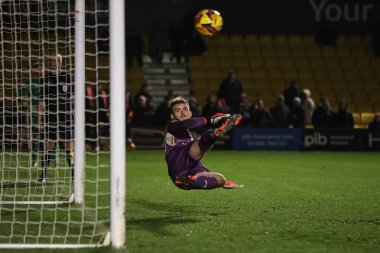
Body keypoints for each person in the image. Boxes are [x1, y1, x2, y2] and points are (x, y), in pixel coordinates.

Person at [164, 96, 243, 190]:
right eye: (177, 111)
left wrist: (221, 181)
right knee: (200, 142)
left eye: (185, 109)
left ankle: (192, 180)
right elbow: (185, 124)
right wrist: (210, 119)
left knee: (220, 178)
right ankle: (216, 133)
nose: (182, 113)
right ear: (172, 116)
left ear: (190, 113)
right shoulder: (172, 125)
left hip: (187, 173)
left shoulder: (187, 134)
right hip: (178, 163)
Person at [39, 54, 74, 182]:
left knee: (68, 145)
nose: (52, 63)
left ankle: (73, 174)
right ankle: (43, 175)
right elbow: (41, 101)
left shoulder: (68, 77)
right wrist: (39, 120)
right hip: (51, 116)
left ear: (60, 62)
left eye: (55, 60)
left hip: (65, 116)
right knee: (48, 144)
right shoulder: (45, 79)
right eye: (51, 60)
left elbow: (73, 97)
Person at [18, 61, 44, 166]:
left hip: (47, 110)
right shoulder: (30, 81)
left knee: (51, 135)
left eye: (42, 68)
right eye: (39, 68)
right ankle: (34, 159)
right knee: (35, 134)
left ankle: (53, 160)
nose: (41, 70)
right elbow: (19, 93)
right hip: (34, 111)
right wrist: (24, 103)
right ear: (34, 70)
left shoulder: (46, 80)